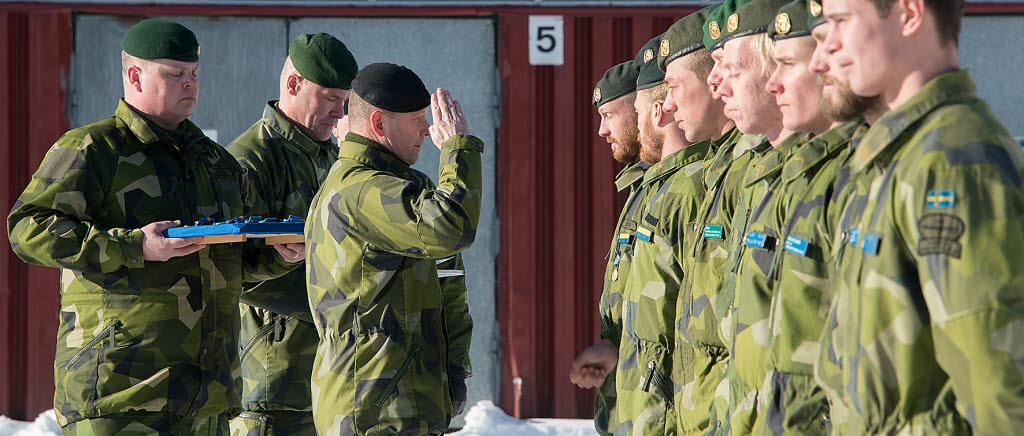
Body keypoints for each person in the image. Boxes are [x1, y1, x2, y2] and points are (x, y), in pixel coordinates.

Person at [6, 19, 303, 435]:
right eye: (175, 74)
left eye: (195, 74)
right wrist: (134, 247)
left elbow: (232, 265)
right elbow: (27, 228)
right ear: (134, 75)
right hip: (121, 395)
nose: (190, 84)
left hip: (207, 400)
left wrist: (278, 255)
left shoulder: (216, 163)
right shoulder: (94, 148)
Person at [817, 0, 1024, 433]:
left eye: (841, 20)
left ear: (910, 14)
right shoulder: (897, 156)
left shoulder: (952, 161)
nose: (827, 47)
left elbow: (998, 384)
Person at [305, 62, 483, 435]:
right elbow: (450, 228)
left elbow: (448, 276)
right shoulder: (360, 190)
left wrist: (453, 368)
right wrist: (457, 149)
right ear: (379, 125)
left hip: (406, 400)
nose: (428, 129)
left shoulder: (405, 187)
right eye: (417, 119)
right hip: (373, 407)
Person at [226, 32, 357, 436]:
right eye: (330, 98)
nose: (340, 112)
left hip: (333, 380)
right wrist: (334, 305)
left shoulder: (337, 157)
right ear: (293, 84)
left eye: (346, 101)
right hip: (272, 382)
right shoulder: (250, 160)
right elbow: (230, 269)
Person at [614, 33, 711, 436]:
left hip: (676, 412)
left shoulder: (693, 186)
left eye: (633, 111)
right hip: (643, 406)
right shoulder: (652, 188)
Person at [569, 60, 646, 436]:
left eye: (609, 115)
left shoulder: (687, 188)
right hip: (627, 410)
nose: (601, 131)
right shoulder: (640, 191)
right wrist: (612, 346)